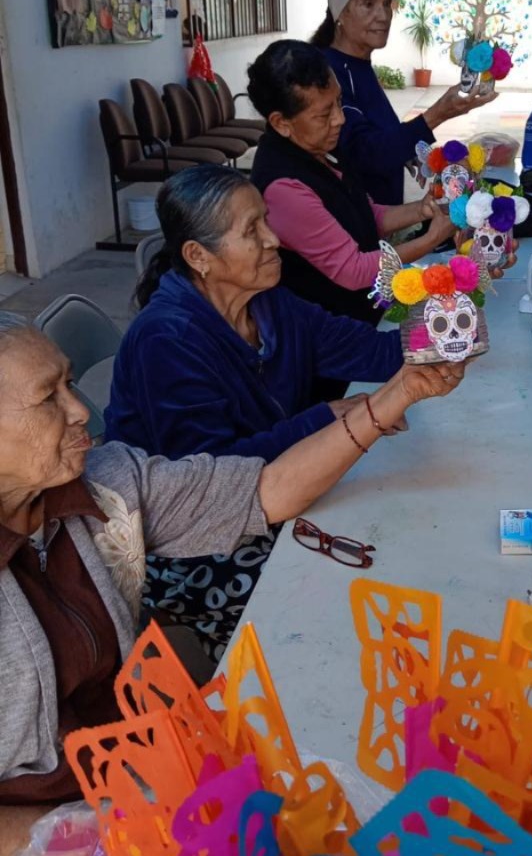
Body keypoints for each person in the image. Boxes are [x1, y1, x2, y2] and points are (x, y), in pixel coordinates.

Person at [0, 312, 464, 801]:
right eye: (47, 397)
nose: (78, 411)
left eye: (70, 385)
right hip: (51, 813)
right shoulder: (171, 335)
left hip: (129, 765)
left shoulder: (107, 484)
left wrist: (399, 395)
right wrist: (72, 831)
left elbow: (267, 491)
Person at [105, 165, 411, 658]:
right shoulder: (167, 340)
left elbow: (372, 353)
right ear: (198, 257)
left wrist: (446, 321)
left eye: (266, 220)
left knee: (385, 528)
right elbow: (214, 478)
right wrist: (330, 418)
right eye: (252, 230)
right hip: (188, 542)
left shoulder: (273, 306)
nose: (275, 240)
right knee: (327, 603)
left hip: (271, 496)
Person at [247, 39, 456, 330]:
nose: (340, 119)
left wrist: (422, 211)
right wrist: (430, 240)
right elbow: (353, 269)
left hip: (367, 312)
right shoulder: (283, 188)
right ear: (281, 122)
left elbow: (365, 216)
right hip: (331, 335)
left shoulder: (319, 147)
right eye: (323, 114)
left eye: (339, 102)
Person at [310, 0, 496, 204]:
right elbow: (365, 152)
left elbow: (382, 135)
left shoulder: (359, 66)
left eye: (387, 4)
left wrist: (414, 155)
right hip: (352, 231)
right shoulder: (327, 72)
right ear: (340, 13)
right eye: (368, 4)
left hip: (382, 223)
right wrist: (438, 114)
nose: (384, 15)